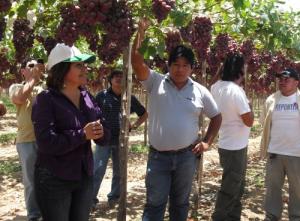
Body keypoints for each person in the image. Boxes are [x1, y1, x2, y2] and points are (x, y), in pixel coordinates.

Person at [131, 19, 222, 221]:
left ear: (191, 68)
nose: (180, 69)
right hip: (158, 158)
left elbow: (216, 116)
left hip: (186, 157)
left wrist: (207, 141)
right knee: (154, 204)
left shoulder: (200, 90)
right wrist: (140, 32)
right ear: (169, 65)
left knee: (180, 204)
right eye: (176, 65)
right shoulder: (155, 81)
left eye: (185, 65)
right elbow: (137, 63)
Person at [31, 43, 110, 221]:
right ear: (61, 69)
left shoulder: (87, 96)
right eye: (78, 65)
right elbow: (46, 142)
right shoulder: (46, 100)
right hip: (54, 178)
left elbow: (103, 133)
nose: (85, 68)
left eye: (84, 64)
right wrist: (82, 134)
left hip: (83, 176)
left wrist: (101, 133)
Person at [92, 69, 148, 207]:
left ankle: (114, 198)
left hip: (121, 140)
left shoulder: (129, 97)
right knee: (98, 170)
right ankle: (90, 200)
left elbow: (144, 114)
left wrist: (134, 126)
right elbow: (91, 113)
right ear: (110, 80)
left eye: (121, 76)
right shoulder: (101, 96)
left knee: (119, 170)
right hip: (103, 139)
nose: (118, 78)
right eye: (115, 76)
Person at [210, 54, 254, 221]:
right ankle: (220, 217)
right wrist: (250, 106)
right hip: (236, 148)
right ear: (240, 70)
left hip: (226, 144)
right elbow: (249, 121)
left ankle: (233, 216)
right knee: (231, 187)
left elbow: (211, 84)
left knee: (237, 184)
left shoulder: (217, 87)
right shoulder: (236, 92)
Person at [260, 68, 300, 221]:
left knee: (297, 190)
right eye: (280, 79)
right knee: (273, 189)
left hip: (297, 153)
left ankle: (296, 217)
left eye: (286, 79)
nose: (282, 82)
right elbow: (264, 122)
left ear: (296, 82)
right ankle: (271, 216)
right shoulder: (271, 100)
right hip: (275, 152)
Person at [8, 58, 44, 221]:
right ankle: (33, 215)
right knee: (30, 180)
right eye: (30, 66)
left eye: (37, 65)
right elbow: (20, 99)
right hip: (26, 141)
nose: (35, 67)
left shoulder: (46, 88)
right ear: (22, 71)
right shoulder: (15, 87)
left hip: (47, 140)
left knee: (48, 178)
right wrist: (32, 80)